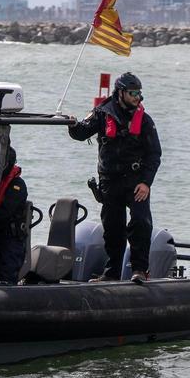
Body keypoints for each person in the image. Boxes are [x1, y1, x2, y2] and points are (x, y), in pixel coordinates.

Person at [67, 72, 161, 282]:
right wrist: (72, 124)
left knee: (140, 222)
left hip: (136, 182)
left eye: (139, 93)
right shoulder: (102, 114)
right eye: (133, 93)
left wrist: (146, 182)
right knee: (112, 229)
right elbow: (81, 133)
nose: (137, 97)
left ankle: (139, 270)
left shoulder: (144, 120)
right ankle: (111, 273)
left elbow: (154, 154)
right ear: (121, 93)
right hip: (110, 182)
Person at [0, 146, 28, 283]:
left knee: (6, 272)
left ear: (3, 164)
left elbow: (5, 212)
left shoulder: (17, 185)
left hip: (9, 238)